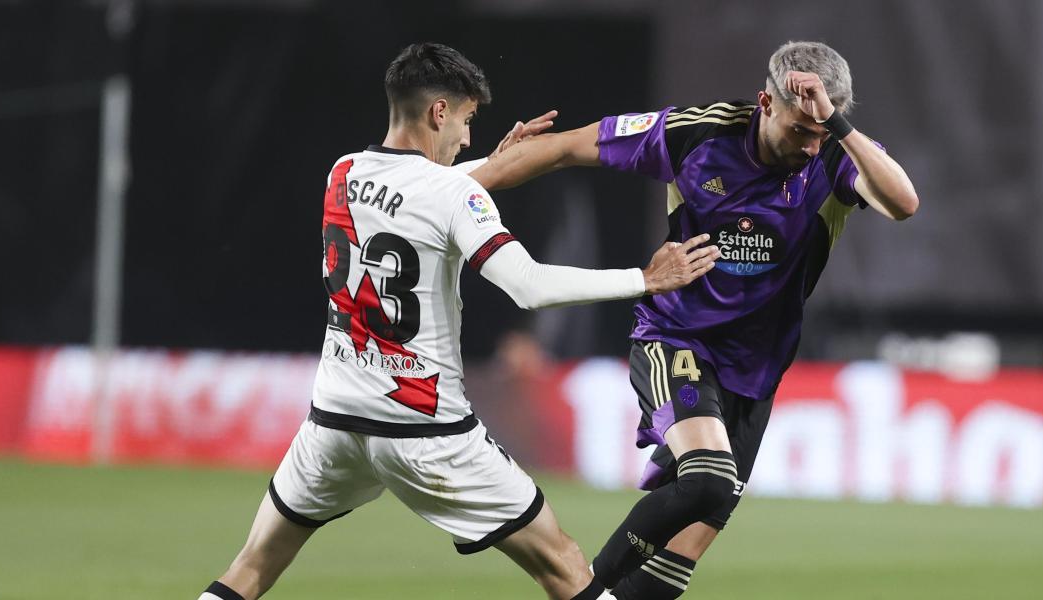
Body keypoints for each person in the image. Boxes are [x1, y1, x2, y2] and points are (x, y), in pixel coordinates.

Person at [198, 42, 720, 600]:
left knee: (250, 569)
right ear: (438, 113)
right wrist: (644, 278)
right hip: (425, 429)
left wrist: (492, 165)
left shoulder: (343, 171)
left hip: (335, 421)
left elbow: (421, 195)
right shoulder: (450, 193)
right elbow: (528, 285)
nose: (468, 137)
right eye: (467, 120)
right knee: (563, 563)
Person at [470, 40, 920, 598]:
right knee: (707, 480)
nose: (810, 147)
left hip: (755, 372)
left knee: (671, 568)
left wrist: (836, 126)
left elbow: (904, 204)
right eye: (801, 131)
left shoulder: (835, 153)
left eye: (821, 132)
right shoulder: (696, 133)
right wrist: (459, 188)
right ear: (766, 102)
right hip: (676, 339)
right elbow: (564, 148)